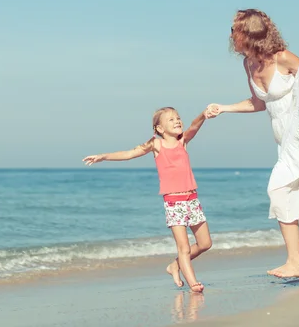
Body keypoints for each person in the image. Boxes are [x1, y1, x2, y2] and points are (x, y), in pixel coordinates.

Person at [206, 9, 299, 283]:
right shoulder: (248, 64)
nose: (230, 35)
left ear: (248, 32)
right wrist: (225, 108)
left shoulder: (282, 57)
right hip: (283, 137)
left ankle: (295, 262)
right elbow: (260, 102)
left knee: (278, 189)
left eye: (234, 30)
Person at [83, 107, 213, 292]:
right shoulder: (156, 145)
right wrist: (104, 156)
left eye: (178, 118)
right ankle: (193, 282)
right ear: (159, 128)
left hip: (192, 200)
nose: (177, 121)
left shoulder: (183, 141)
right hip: (174, 203)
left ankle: (174, 266)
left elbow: (194, 125)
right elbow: (129, 154)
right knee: (183, 247)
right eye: (171, 120)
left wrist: (204, 114)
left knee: (205, 243)